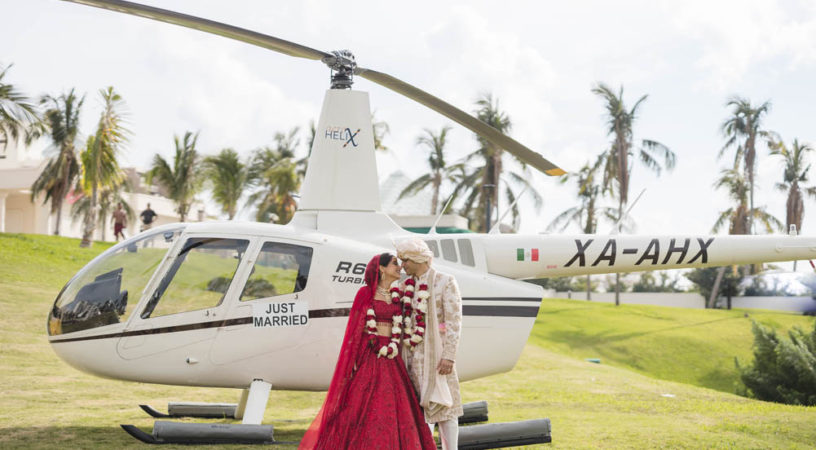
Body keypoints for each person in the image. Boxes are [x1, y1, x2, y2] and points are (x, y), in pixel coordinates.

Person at [299, 253, 436, 450]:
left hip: (392, 357)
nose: (400, 267)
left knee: (398, 405)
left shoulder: (398, 295)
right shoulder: (365, 294)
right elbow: (354, 329)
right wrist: (355, 359)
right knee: (365, 406)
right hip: (371, 355)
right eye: (394, 264)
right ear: (381, 268)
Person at [396, 238, 464, 450]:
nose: (402, 265)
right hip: (411, 356)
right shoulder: (404, 286)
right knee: (420, 409)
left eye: (405, 260)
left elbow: (454, 321)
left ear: (418, 259)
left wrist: (449, 355)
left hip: (438, 356)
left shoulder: (445, 281)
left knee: (445, 406)